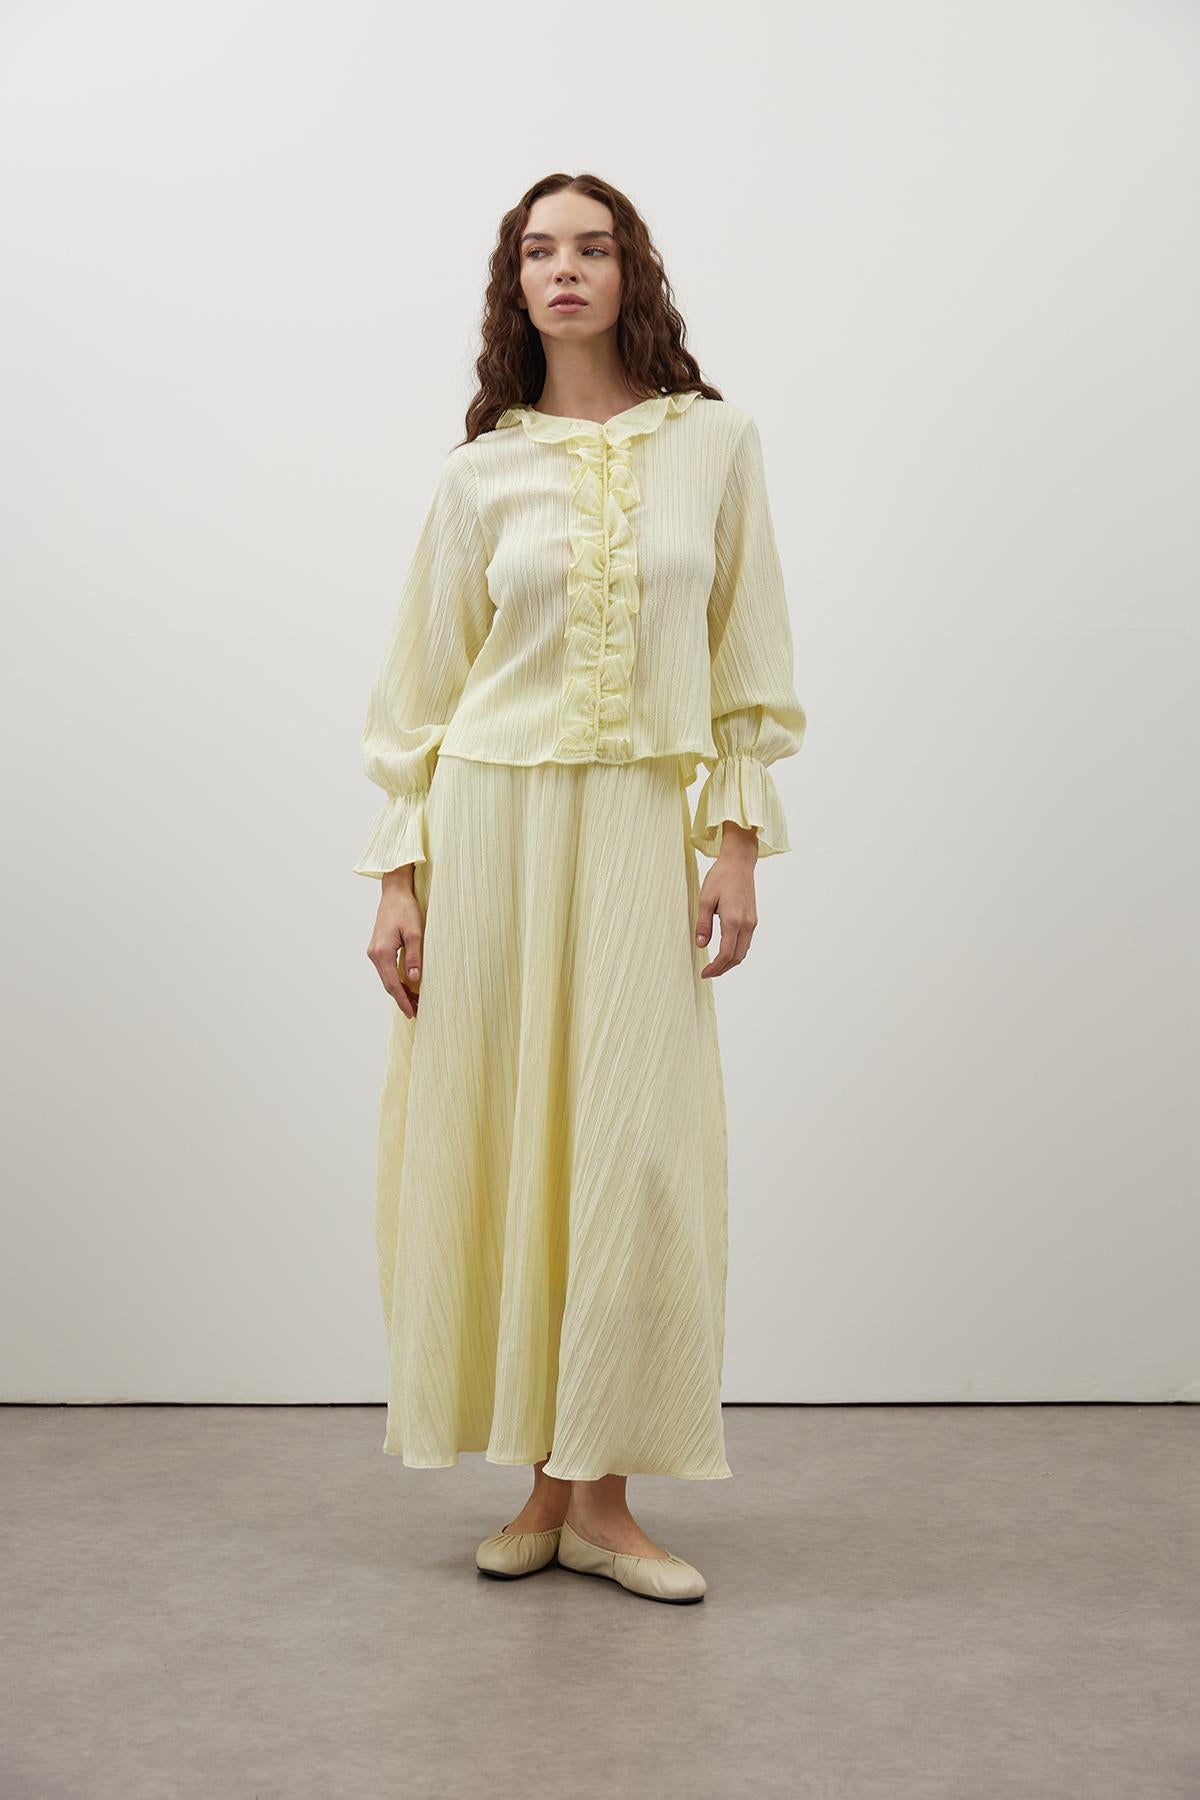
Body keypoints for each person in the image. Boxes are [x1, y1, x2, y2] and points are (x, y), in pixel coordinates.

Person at [353, 171, 807, 1604]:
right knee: (510, 1141)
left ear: (629, 274)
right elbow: (418, 694)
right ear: (517, 286)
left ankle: (606, 1497)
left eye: (592, 248)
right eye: (539, 251)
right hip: (489, 827)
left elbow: (747, 661)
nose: (566, 270)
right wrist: (398, 878)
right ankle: (546, 1489)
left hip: (632, 824)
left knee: (631, 1144)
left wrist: (735, 844)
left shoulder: (715, 445)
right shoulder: (478, 474)